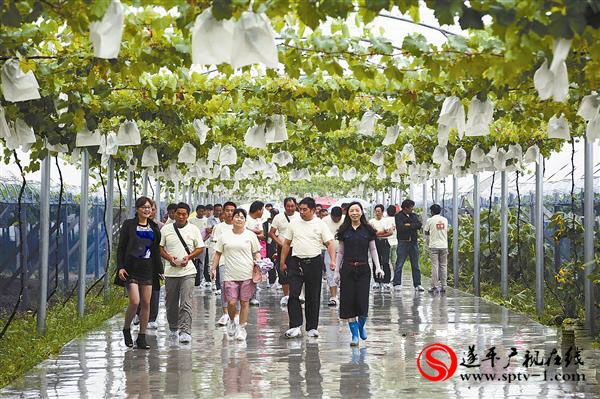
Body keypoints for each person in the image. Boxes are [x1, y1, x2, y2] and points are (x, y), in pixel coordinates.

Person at [280, 197, 336, 338]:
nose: (302, 212)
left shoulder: (320, 224)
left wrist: (333, 261)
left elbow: (329, 243)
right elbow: (287, 243)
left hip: (314, 262)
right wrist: (282, 262)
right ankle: (295, 325)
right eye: (301, 209)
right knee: (293, 295)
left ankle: (312, 327)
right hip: (296, 262)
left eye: (305, 210)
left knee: (313, 295)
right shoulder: (294, 223)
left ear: (313, 210)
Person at [334, 201, 384, 346]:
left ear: (361, 212)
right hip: (348, 269)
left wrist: (378, 267)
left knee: (362, 301)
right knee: (348, 302)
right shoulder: (344, 231)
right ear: (348, 213)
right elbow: (341, 252)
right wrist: (337, 271)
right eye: (351, 211)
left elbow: (373, 250)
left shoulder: (368, 230)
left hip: (363, 270)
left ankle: (361, 326)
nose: (354, 213)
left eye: (357, 210)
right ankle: (354, 335)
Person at [117, 196, 163, 349]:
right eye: (143, 207)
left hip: (148, 269)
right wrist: (120, 267)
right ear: (137, 209)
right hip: (132, 268)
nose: (146, 210)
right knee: (135, 301)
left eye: (149, 207)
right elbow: (122, 247)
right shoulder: (129, 225)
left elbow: (156, 250)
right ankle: (126, 328)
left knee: (146, 302)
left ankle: (142, 337)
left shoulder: (154, 227)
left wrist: (159, 270)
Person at [211, 208, 261, 341]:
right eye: (236, 216)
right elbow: (217, 254)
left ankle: (242, 328)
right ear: (232, 219)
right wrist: (213, 269)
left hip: (247, 274)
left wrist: (259, 262)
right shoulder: (224, 236)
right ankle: (232, 320)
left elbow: (256, 252)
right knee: (232, 302)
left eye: (242, 217)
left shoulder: (250, 235)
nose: (239, 219)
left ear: (245, 220)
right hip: (230, 274)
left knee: (245, 302)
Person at [159, 202, 205, 343]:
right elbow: (160, 248)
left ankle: (185, 330)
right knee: (171, 302)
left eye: (184, 214)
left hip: (188, 271)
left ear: (187, 215)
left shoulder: (193, 229)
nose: (180, 216)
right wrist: (169, 258)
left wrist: (189, 257)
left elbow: (200, 247)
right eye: (178, 213)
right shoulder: (166, 229)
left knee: (186, 302)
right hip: (171, 272)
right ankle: (173, 327)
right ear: (174, 213)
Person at [269, 197, 300, 306]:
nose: (290, 208)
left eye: (292, 206)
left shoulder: (300, 216)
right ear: (284, 206)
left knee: (296, 271)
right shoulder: (278, 217)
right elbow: (271, 232)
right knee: (283, 271)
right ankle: (286, 295)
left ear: (296, 206)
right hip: (283, 248)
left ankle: (296, 295)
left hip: (297, 247)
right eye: (288, 206)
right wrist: (280, 243)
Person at [212, 201, 237, 326]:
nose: (230, 213)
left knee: (236, 287)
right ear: (223, 211)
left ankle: (236, 314)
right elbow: (217, 250)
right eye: (227, 210)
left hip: (238, 262)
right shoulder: (219, 228)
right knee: (223, 286)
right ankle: (225, 312)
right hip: (223, 261)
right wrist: (213, 267)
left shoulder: (239, 226)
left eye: (232, 210)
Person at [392, 199, 425, 292]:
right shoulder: (398, 216)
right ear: (406, 208)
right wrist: (411, 225)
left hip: (413, 242)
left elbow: (419, 225)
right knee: (399, 263)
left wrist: (408, 225)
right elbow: (400, 227)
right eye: (411, 208)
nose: (412, 209)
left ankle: (417, 284)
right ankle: (397, 283)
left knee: (415, 264)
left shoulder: (414, 215)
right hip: (403, 242)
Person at [423, 204, 449, 293]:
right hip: (444, 245)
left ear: (432, 211)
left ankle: (434, 286)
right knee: (443, 266)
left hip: (434, 246)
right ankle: (444, 286)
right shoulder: (445, 220)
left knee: (435, 266)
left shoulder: (430, 220)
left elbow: (426, 232)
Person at [369, 204, 394, 290]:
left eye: (379, 211)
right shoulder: (371, 221)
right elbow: (371, 233)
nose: (377, 213)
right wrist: (382, 232)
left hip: (384, 242)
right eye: (376, 211)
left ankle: (386, 281)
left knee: (386, 261)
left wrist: (379, 233)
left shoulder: (386, 221)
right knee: (376, 262)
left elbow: (390, 232)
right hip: (375, 242)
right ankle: (377, 281)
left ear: (382, 212)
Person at [322, 206, 344, 306]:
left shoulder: (345, 219)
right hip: (329, 251)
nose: (336, 220)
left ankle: (345, 295)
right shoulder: (325, 221)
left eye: (338, 218)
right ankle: (333, 297)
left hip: (344, 251)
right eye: (334, 218)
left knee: (344, 273)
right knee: (331, 273)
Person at [246, 200, 265, 306]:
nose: (263, 212)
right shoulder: (246, 219)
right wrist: (255, 232)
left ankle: (253, 296)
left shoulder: (258, 221)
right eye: (262, 209)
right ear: (258, 210)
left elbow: (262, 234)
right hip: (246, 250)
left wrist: (252, 232)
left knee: (255, 272)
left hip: (255, 250)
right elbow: (244, 231)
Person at [189, 205, 208, 286]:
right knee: (191, 262)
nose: (201, 213)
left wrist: (203, 240)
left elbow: (209, 232)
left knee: (201, 263)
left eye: (202, 211)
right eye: (199, 211)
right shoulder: (191, 220)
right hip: (192, 245)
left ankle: (199, 280)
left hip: (202, 245)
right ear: (196, 211)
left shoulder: (207, 221)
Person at [264, 208, 279, 287]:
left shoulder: (280, 222)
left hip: (277, 243)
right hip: (268, 245)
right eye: (273, 214)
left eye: (276, 214)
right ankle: (271, 280)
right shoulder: (266, 223)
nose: (274, 216)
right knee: (269, 261)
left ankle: (278, 280)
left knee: (277, 262)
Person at [385, 205, 398, 281]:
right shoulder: (397, 219)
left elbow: (385, 230)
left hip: (387, 242)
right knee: (394, 261)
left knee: (386, 261)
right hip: (395, 242)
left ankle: (387, 277)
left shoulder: (385, 220)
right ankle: (396, 277)